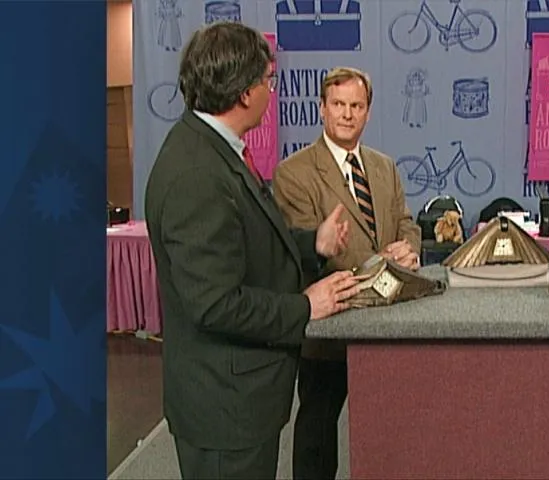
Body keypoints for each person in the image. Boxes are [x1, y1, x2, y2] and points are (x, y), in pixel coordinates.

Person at [144, 23, 363, 479]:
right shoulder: (197, 176)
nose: (271, 91)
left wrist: (313, 243)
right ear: (245, 93)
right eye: (268, 80)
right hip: (224, 410)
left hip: (238, 402)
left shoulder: (214, 150)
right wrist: (307, 306)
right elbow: (216, 304)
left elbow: (246, 246)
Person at [273, 66, 421, 480]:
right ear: (322, 108)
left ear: (368, 112)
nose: (347, 114)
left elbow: (406, 222)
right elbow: (307, 249)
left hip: (389, 325)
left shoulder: (384, 167)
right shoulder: (294, 173)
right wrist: (378, 266)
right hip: (330, 325)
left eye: (356, 105)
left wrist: (409, 248)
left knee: (389, 433)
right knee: (318, 432)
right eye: (338, 104)